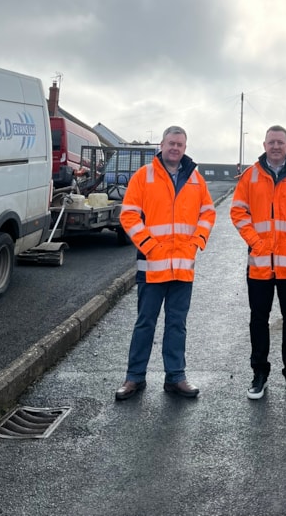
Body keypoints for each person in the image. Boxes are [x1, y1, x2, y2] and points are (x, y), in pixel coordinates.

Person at [115, 126, 216, 401]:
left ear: (185, 147)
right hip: (152, 266)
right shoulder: (144, 176)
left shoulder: (195, 179)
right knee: (144, 323)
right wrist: (149, 247)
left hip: (182, 267)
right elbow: (129, 216)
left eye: (180, 144)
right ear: (162, 145)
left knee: (177, 324)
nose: (175, 148)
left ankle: (176, 377)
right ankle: (134, 378)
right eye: (171, 143)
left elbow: (207, 213)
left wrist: (197, 242)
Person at [230, 125, 286, 401]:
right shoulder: (250, 176)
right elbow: (238, 212)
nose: (276, 146)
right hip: (259, 262)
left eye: (280, 142)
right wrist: (256, 242)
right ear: (264, 144)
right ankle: (259, 373)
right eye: (271, 142)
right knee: (259, 319)